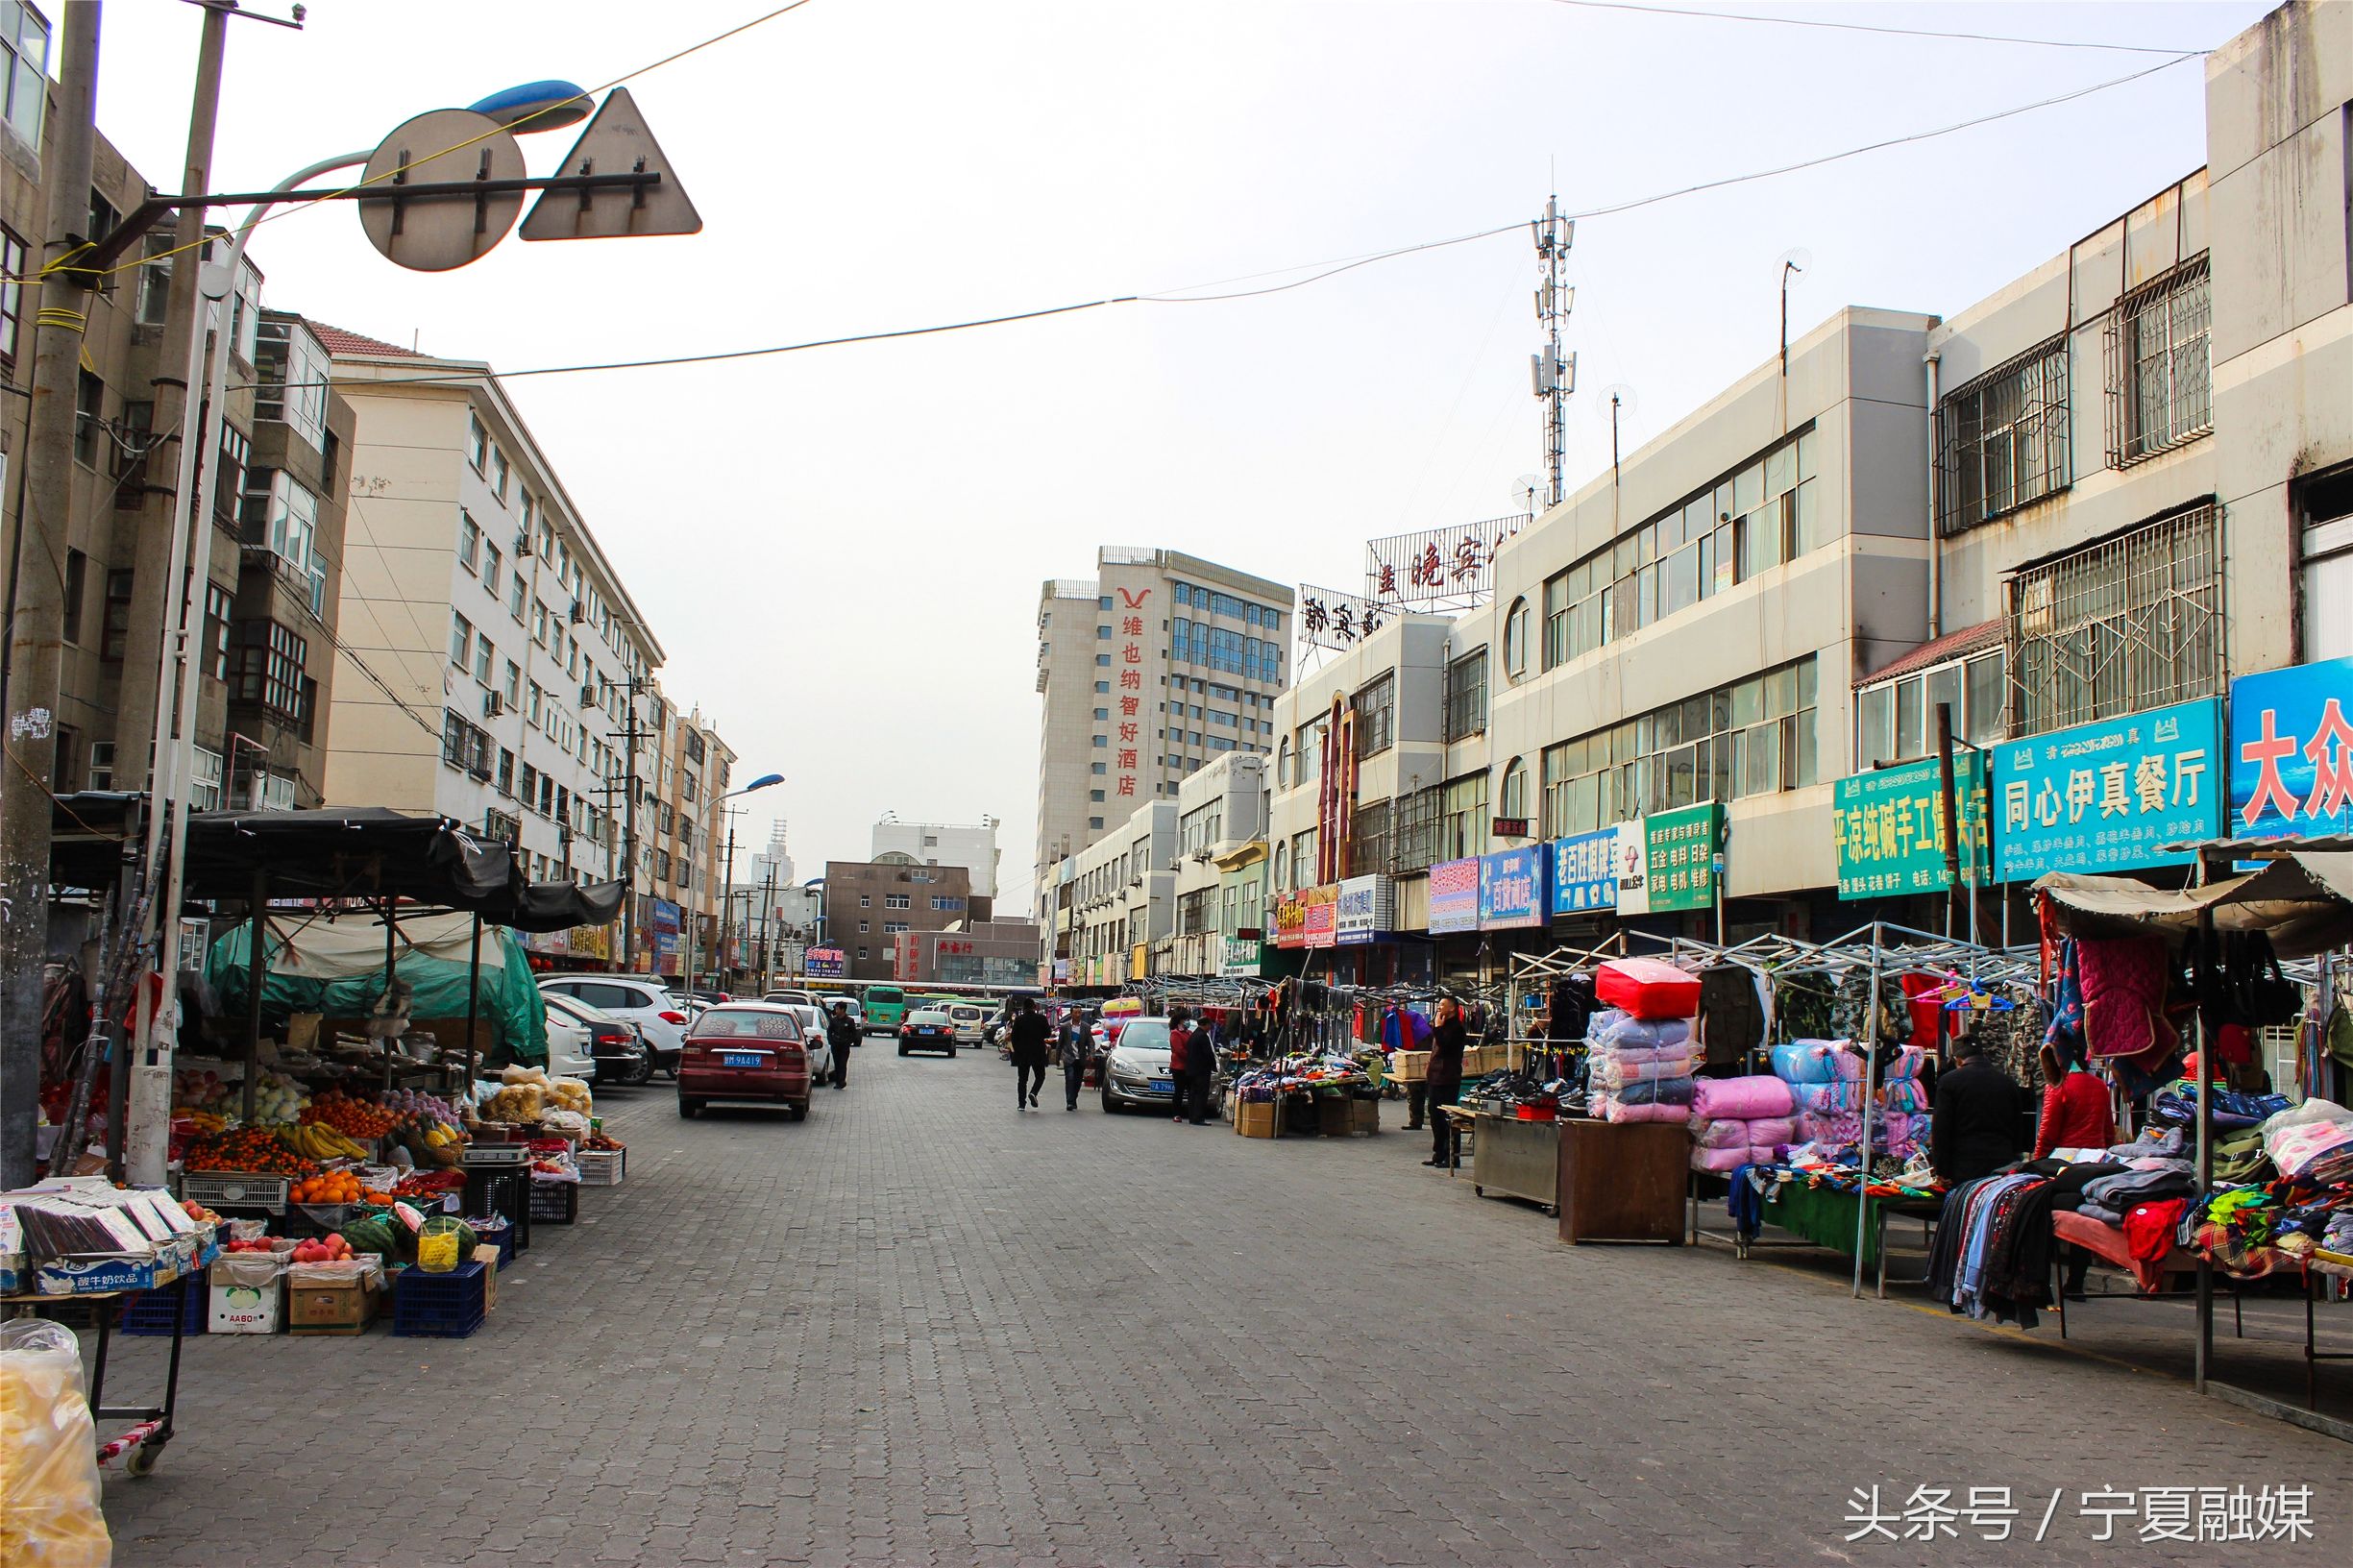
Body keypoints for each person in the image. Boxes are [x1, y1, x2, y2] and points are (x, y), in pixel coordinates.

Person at [1929, 1035, 2025, 1185]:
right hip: (2003, 1165)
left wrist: (1941, 1170)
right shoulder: (2008, 1082)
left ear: (1958, 1059)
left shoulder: (1949, 1082)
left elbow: (1941, 1130)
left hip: (1964, 1166)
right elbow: (2019, 1127)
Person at [1423, 997, 1466, 1167]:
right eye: (1439, 1005)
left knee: (1447, 1118)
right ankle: (1438, 1153)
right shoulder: (1440, 1025)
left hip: (1448, 1078)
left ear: (1453, 1009)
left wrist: (1439, 1028)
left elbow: (1445, 1045)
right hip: (1435, 1077)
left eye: (1442, 1005)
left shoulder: (1457, 1028)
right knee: (1434, 1115)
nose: (1439, 1008)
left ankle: (1452, 1156)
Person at [1008, 995, 1050, 1111]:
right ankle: (1033, 1092)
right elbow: (1047, 1034)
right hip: (1038, 1053)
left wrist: (1017, 1049)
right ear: (1034, 1007)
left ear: (1024, 1007)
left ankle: (1021, 1104)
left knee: (1022, 1080)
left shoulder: (1019, 1020)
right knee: (1040, 1076)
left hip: (1022, 1054)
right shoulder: (1041, 1019)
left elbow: (1014, 1037)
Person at [1182, 1009, 1216, 1126]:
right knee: (1201, 1095)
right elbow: (1208, 1053)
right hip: (1201, 1071)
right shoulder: (1203, 1037)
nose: (1210, 1027)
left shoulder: (1193, 1035)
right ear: (1205, 1025)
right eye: (1209, 1025)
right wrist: (1214, 1066)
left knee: (1193, 1094)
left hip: (1191, 1070)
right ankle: (1198, 1118)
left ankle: (1192, 1117)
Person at [1056, 1009, 1090, 1111]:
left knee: (1078, 1081)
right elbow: (1060, 1043)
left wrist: (1091, 1054)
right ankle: (1069, 1102)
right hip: (1069, 1058)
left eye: (1079, 1013)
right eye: (1075, 1013)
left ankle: (1073, 1098)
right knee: (1070, 1078)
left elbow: (1090, 1042)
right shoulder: (1065, 1027)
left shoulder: (1086, 1027)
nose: (1078, 1015)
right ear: (1071, 1014)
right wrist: (1057, 1058)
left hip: (1080, 1058)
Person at [1167, 1008, 1194, 1123]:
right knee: (1179, 1091)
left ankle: (1191, 1113)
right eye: (1186, 1019)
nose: (1187, 1021)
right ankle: (1176, 1114)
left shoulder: (1189, 1033)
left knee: (1191, 1091)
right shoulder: (1175, 1033)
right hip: (1179, 1067)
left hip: (1189, 1067)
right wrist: (1191, 1057)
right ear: (1180, 1021)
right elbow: (1179, 1050)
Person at [824, 1001, 858, 1090]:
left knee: (843, 1063)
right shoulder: (834, 1020)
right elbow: (829, 1031)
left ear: (843, 1010)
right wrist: (831, 1041)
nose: (836, 1011)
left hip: (844, 1046)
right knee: (837, 1063)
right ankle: (837, 1081)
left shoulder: (849, 1021)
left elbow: (854, 1033)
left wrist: (848, 1042)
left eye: (837, 1009)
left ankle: (842, 1081)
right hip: (835, 1045)